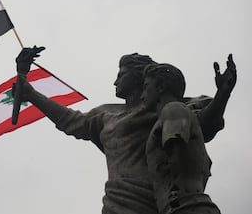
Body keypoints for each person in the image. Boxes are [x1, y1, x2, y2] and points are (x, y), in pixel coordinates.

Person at [14, 46, 234, 214]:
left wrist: (223, 95)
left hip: (165, 202)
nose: (115, 81)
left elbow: (203, 122)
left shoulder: (165, 106)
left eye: (121, 74)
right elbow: (69, 120)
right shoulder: (105, 115)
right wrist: (32, 95)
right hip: (118, 204)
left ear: (140, 78)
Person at [142, 59, 236, 214]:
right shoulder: (181, 114)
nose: (142, 96)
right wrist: (222, 95)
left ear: (160, 87)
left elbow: (176, 150)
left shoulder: (173, 110)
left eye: (146, 88)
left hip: (185, 207)